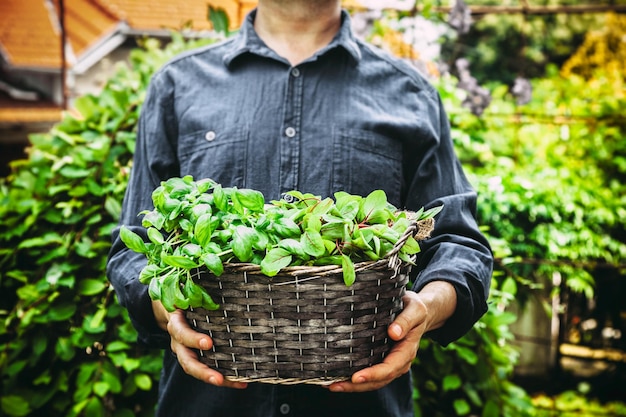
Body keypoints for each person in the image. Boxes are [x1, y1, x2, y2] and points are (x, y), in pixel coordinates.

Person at [106, 0, 493, 416]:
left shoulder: (409, 93)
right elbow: (134, 250)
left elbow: (458, 242)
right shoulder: (178, 85)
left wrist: (426, 309)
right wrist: (170, 308)